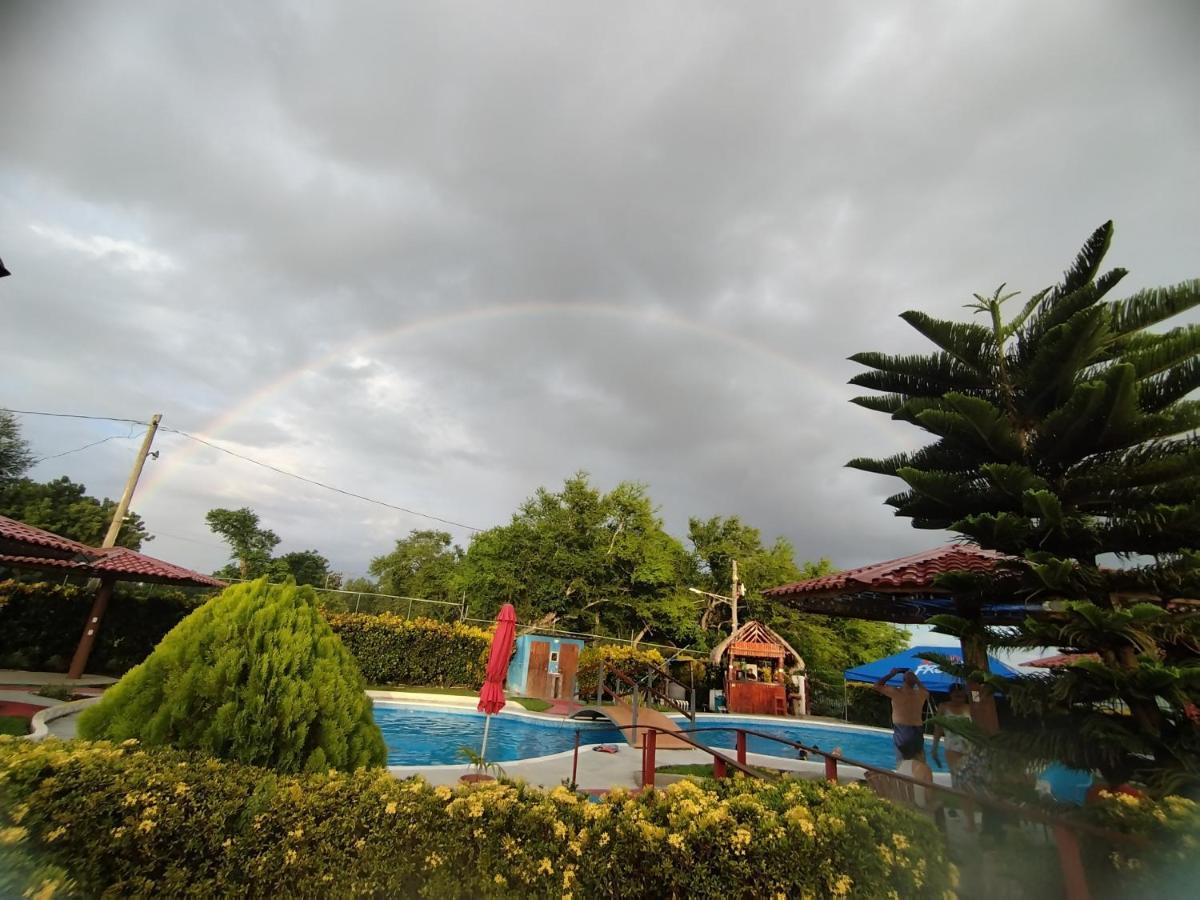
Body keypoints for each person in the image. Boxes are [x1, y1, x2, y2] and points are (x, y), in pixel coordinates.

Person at [872, 666, 930, 762]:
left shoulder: (896, 692)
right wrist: (916, 680)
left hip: (903, 730)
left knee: (903, 762)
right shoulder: (920, 694)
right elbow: (927, 692)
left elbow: (876, 686)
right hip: (916, 730)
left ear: (903, 679)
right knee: (918, 761)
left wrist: (891, 674)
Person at [930, 683, 972, 782]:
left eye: (961, 696)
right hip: (952, 747)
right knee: (957, 775)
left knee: (969, 776)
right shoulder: (944, 707)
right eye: (956, 696)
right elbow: (938, 728)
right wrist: (934, 747)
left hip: (969, 747)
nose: (959, 699)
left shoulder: (970, 707)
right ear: (951, 695)